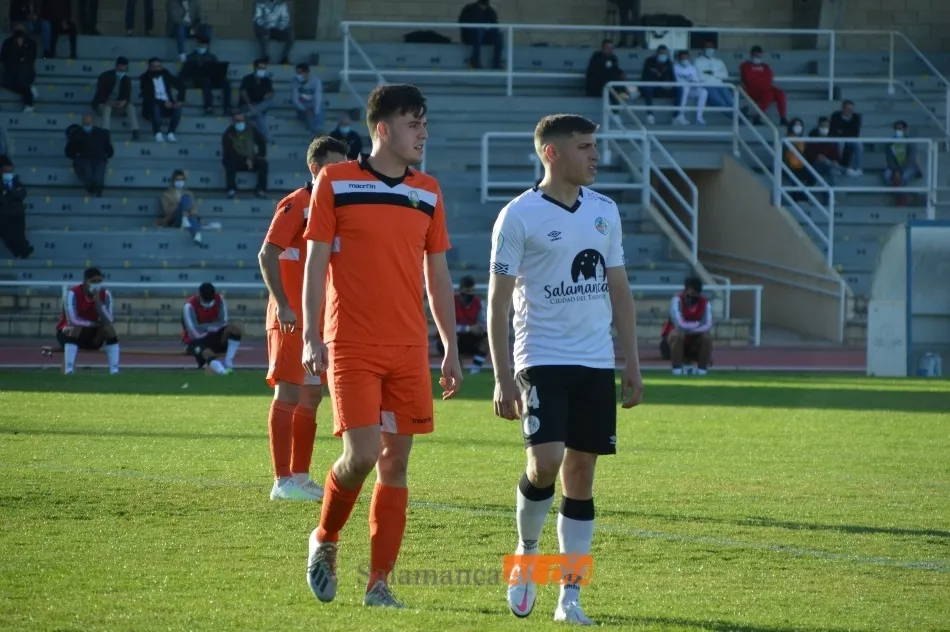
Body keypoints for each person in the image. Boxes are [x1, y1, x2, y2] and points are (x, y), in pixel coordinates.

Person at [300, 83, 462, 608]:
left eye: (424, 123)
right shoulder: (335, 180)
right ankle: (325, 538)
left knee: (395, 464)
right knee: (362, 455)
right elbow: (315, 262)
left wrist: (450, 348)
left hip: (409, 348)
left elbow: (437, 277)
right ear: (382, 129)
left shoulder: (430, 191)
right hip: (350, 342)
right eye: (413, 124)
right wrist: (309, 332)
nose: (423, 133)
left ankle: (378, 584)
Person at [488, 113, 643, 625]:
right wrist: (501, 374)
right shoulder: (518, 216)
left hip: (596, 361)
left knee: (582, 474)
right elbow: (498, 301)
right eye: (585, 147)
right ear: (552, 153)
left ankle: (569, 597)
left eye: (595, 145)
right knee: (546, 463)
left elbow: (619, 288)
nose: (595, 156)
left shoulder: (605, 210)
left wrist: (632, 363)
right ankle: (527, 554)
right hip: (541, 358)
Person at [258, 136, 348, 502]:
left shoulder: (336, 206)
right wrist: (282, 303)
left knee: (311, 397)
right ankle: (281, 481)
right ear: (315, 168)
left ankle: (299, 475)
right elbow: (267, 254)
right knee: (290, 392)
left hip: (319, 319)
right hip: (291, 316)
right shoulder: (297, 203)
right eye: (334, 166)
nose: (341, 173)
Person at [56, 267, 121, 375]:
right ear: (85, 281)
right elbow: (73, 320)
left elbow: (109, 320)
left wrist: (98, 302)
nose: (96, 284)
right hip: (68, 334)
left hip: (91, 335)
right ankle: (69, 370)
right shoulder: (73, 293)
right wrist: (94, 324)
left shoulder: (105, 294)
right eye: (93, 281)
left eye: (99, 281)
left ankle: (114, 370)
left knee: (109, 329)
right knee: (74, 328)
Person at [181, 282, 243, 374]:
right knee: (206, 351)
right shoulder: (189, 306)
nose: (208, 304)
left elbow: (224, 322)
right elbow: (193, 332)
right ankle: (222, 372)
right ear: (199, 296)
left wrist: (208, 328)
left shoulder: (220, 300)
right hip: (196, 340)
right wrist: (210, 328)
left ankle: (228, 363)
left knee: (235, 329)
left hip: (215, 336)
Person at [659, 276, 713, 375]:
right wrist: (697, 325)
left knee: (707, 338)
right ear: (685, 290)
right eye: (692, 294)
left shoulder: (705, 302)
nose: (694, 298)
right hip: (672, 342)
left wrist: (690, 329)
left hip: (693, 343)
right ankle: (677, 370)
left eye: (696, 295)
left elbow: (708, 324)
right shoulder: (677, 300)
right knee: (678, 335)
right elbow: (679, 324)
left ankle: (702, 370)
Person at [65, 112, 114, 197]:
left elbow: (109, 149)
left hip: (98, 157)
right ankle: (94, 186)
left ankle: (95, 187)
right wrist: (76, 155)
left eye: (89, 117)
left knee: (100, 164)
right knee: (86, 166)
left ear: (93, 119)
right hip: (82, 157)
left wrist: (106, 155)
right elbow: (69, 150)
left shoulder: (102, 133)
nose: (87, 118)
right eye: (85, 117)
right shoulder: (75, 133)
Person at [221, 112, 268, 198]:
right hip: (237, 160)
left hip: (251, 159)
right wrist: (247, 159)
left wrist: (259, 155)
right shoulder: (228, 133)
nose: (240, 122)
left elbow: (262, 142)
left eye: (242, 120)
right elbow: (228, 151)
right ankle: (231, 189)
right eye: (237, 120)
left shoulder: (251, 129)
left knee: (263, 163)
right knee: (229, 160)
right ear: (233, 122)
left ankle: (261, 189)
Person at [181, 37, 232, 116]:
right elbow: (185, 72)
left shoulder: (212, 57)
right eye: (201, 46)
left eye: (204, 46)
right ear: (197, 45)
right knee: (206, 80)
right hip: (197, 81)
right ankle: (208, 107)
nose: (203, 47)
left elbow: (217, 69)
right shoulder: (190, 57)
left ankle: (227, 107)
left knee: (226, 82)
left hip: (212, 79)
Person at [92, 56, 140, 140]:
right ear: (116, 66)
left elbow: (127, 96)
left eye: (124, 66)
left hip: (118, 105)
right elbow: (100, 93)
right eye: (121, 66)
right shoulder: (105, 76)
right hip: (103, 104)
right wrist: (108, 101)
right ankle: (105, 131)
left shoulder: (126, 79)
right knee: (107, 108)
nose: (122, 68)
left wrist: (123, 102)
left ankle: (135, 130)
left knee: (130, 107)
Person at [739, 45, 788, 126]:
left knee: (780, 93)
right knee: (769, 94)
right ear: (751, 55)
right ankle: (757, 116)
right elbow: (746, 79)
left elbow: (769, 78)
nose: (757, 58)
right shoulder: (745, 66)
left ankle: (783, 117)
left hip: (767, 89)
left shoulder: (765, 66)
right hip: (754, 90)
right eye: (755, 56)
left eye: (759, 56)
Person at [140, 57, 185, 143]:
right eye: (154, 66)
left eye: (159, 66)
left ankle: (171, 132)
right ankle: (157, 133)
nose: (157, 68)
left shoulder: (166, 74)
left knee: (178, 108)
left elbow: (180, 85)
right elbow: (148, 97)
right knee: (155, 106)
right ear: (149, 67)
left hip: (168, 104)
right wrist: (163, 102)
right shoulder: (144, 78)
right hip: (152, 105)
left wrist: (179, 100)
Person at [0, 155, 34, 259]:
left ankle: (23, 249)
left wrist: (9, 193)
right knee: (8, 234)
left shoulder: (12, 181)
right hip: (4, 214)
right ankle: (20, 250)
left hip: (16, 212)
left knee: (18, 233)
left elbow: (22, 192)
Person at [454, 275, 489, 374]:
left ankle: (474, 372)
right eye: (467, 291)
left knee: (486, 339)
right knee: (453, 338)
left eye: (472, 290)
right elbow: (447, 327)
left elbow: (482, 321)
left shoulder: (478, 302)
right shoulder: (451, 302)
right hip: (450, 339)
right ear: (461, 290)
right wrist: (468, 328)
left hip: (469, 336)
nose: (470, 294)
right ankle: (458, 371)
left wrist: (481, 328)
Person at [159, 169, 204, 244]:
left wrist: (188, 213)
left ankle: (191, 227)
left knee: (186, 198)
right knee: (184, 202)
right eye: (177, 179)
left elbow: (194, 209)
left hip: (188, 217)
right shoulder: (166, 194)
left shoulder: (189, 193)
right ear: (173, 181)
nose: (180, 181)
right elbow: (167, 210)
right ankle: (196, 232)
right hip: (175, 217)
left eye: (182, 179)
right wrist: (180, 206)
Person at [1, 24, 38, 112]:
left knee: (22, 77)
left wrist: (20, 58)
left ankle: (29, 102)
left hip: (26, 71)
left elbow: (31, 57)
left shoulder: (31, 43)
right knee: (7, 81)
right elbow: (3, 57)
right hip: (11, 71)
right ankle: (29, 91)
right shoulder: (8, 43)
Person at [884, 120, 920, 206]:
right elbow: (889, 160)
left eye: (900, 129)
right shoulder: (890, 144)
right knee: (886, 176)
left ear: (905, 130)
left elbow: (911, 160)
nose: (898, 131)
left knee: (904, 177)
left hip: (909, 167)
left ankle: (900, 200)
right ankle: (900, 196)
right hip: (894, 169)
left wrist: (900, 171)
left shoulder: (911, 143)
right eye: (896, 129)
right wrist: (895, 171)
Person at [239, 58, 275, 145]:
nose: (262, 70)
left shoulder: (266, 80)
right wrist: (249, 105)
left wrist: (269, 95)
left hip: (260, 105)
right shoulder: (247, 78)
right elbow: (243, 92)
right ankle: (268, 138)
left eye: (264, 68)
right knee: (259, 116)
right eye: (260, 68)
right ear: (255, 68)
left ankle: (252, 112)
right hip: (248, 105)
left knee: (271, 101)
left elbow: (271, 92)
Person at [458, 0, 502, 70]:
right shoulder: (469, 9)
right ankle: (475, 60)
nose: (483, 8)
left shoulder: (490, 11)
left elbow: (495, 26)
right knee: (478, 30)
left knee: (498, 35)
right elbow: (461, 23)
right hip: (469, 36)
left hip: (484, 37)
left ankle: (496, 62)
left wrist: (489, 27)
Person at [693, 42, 733, 117]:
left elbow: (725, 75)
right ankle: (737, 115)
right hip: (707, 85)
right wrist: (717, 74)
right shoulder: (697, 61)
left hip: (720, 84)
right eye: (707, 48)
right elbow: (699, 76)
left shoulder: (719, 61)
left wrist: (713, 73)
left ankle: (738, 115)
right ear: (703, 49)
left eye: (711, 48)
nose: (710, 50)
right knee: (719, 101)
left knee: (730, 100)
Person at [806, 116, 846, 188]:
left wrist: (835, 160)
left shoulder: (832, 136)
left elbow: (835, 152)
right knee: (824, 161)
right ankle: (844, 170)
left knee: (832, 171)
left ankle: (831, 197)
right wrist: (816, 156)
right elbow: (808, 152)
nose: (824, 128)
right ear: (818, 126)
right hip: (816, 164)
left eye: (826, 126)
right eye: (822, 126)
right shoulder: (812, 136)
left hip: (829, 165)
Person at [639, 44, 674, 124]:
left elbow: (672, 77)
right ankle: (649, 115)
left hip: (663, 88)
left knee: (679, 89)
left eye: (665, 53)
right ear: (657, 53)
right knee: (648, 88)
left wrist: (669, 84)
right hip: (651, 87)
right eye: (661, 53)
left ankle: (677, 116)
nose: (663, 55)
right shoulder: (649, 61)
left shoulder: (669, 62)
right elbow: (645, 77)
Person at [672, 50, 708, 125]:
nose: (685, 60)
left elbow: (696, 81)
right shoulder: (674, 67)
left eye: (686, 58)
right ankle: (680, 115)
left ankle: (699, 118)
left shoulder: (692, 68)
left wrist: (694, 84)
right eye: (683, 58)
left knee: (703, 92)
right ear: (679, 58)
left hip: (691, 89)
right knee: (685, 87)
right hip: (679, 90)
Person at [253, 0, 294, 65]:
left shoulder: (281, 3)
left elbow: (285, 18)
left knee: (290, 35)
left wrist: (281, 27)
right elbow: (258, 19)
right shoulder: (260, 3)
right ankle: (265, 58)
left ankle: (284, 58)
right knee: (264, 33)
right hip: (264, 27)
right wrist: (267, 26)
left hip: (277, 28)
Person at [830, 100, 863, 177]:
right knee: (840, 144)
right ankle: (838, 167)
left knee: (859, 144)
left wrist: (842, 131)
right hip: (838, 139)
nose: (849, 111)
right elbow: (833, 130)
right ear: (842, 109)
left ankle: (859, 169)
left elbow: (855, 133)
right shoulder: (835, 115)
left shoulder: (856, 117)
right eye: (848, 109)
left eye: (851, 110)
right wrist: (844, 133)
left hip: (851, 139)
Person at [783, 118, 812, 203]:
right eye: (796, 125)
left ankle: (803, 196)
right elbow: (783, 156)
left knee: (812, 176)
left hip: (802, 165)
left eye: (799, 125)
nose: (798, 127)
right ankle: (798, 198)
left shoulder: (803, 140)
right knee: (796, 176)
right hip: (789, 165)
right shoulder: (785, 139)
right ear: (791, 126)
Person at [292, 63, 324, 136]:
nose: (298, 75)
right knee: (308, 115)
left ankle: (315, 133)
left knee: (318, 113)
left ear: (307, 73)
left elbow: (318, 98)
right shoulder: (294, 82)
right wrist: (305, 109)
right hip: (302, 107)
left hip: (313, 106)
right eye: (297, 73)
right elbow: (295, 100)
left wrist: (315, 112)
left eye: (300, 73)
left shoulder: (316, 81)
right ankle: (314, 134)